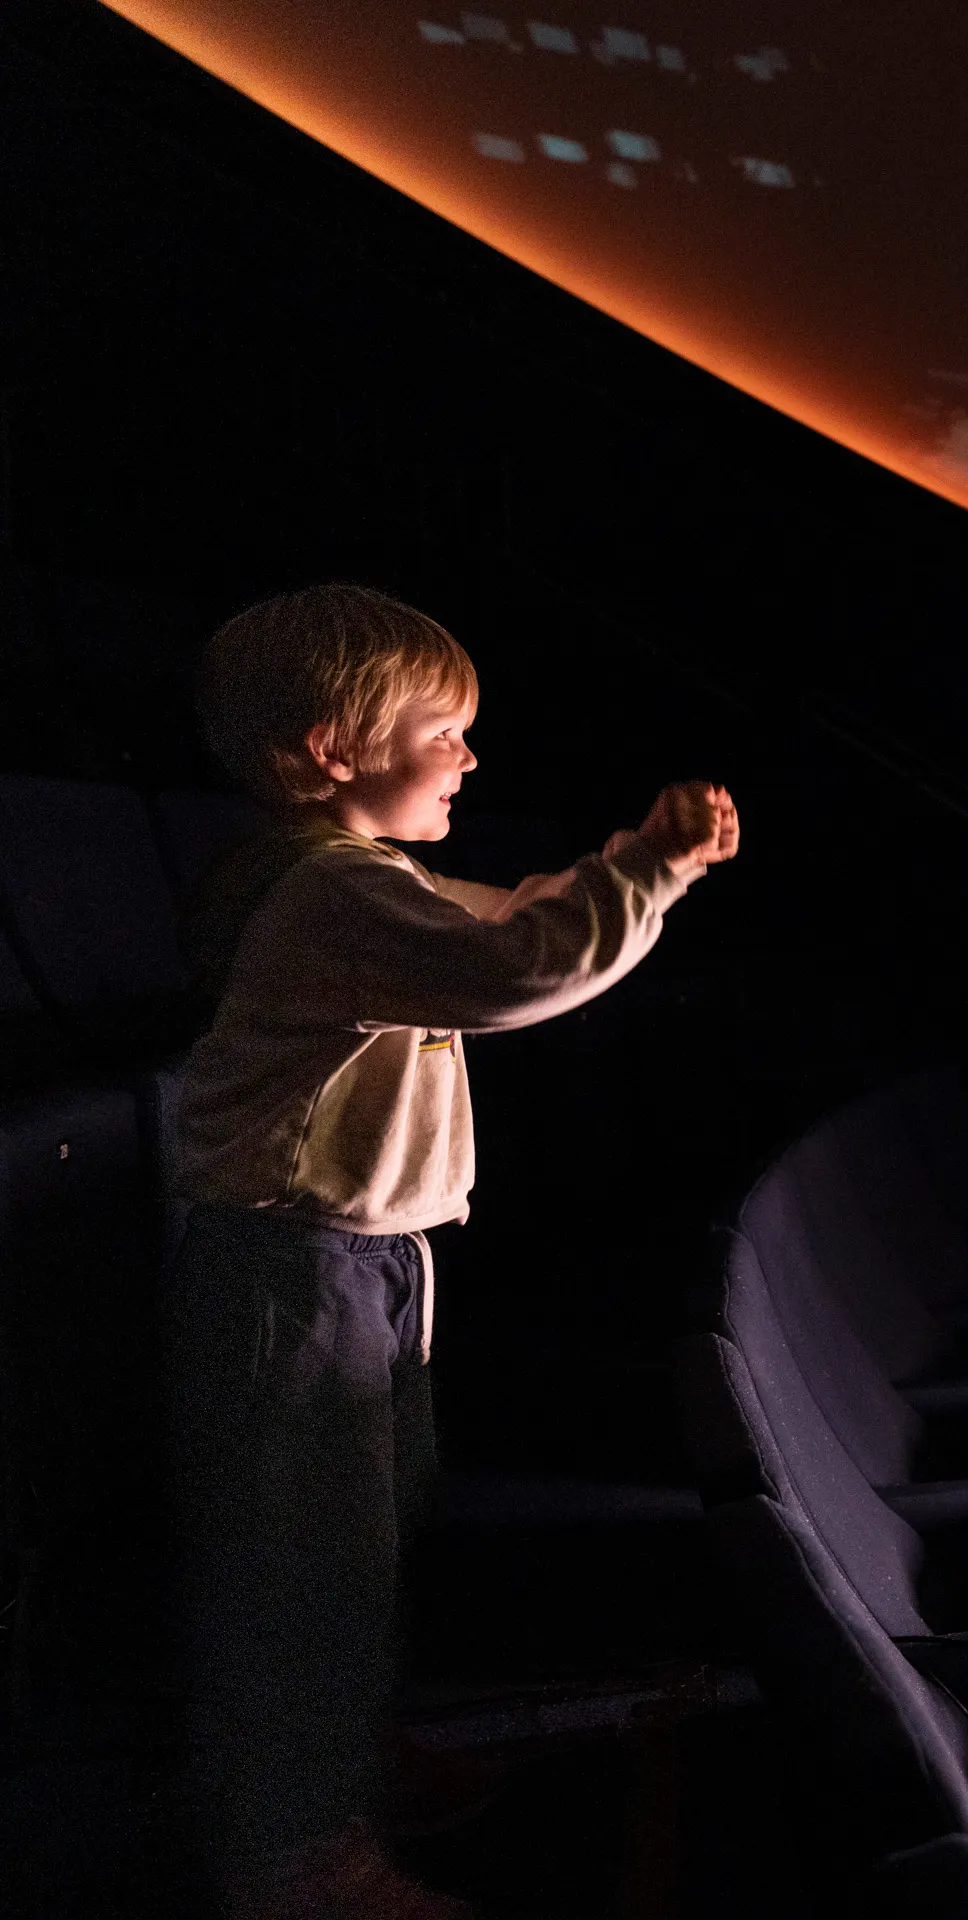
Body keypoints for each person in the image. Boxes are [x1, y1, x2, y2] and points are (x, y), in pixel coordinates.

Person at [168, 584, 739, 1915]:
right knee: (305, 1566)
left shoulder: (371, 884)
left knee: (366, 1543)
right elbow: (519, 968)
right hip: (288, 1275)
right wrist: (645, 866)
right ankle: (294, 1859)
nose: (472, 757)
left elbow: (507, 923)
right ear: (331, 750)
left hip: (354, 1265)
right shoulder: (329, 895)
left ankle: (342, 1771)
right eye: (447, 729)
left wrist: (644, 872)